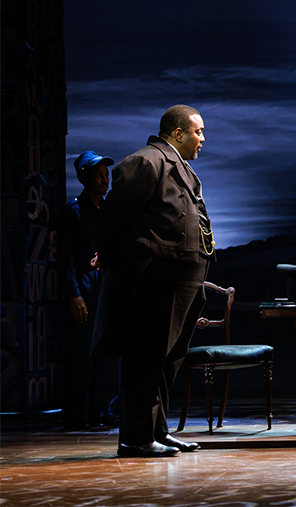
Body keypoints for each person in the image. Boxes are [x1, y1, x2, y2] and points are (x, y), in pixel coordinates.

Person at [92, 105, 215, 458]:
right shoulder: (147, 161)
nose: (202, 139)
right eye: (198, 132)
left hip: (183, 278)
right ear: (177, 132)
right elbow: (113, 216)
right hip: (157, 278)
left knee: (167, 358)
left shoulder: (181, 167)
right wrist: (107, 255)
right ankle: (134, 437)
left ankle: (156, 431)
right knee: (145, 356)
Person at [59, 151, 120, 430]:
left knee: (108, 351)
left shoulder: (109, 211)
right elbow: (65, 258)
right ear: (84, 178)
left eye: (106, 175)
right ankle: (78, 416)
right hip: (84, 284)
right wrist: (74, 294)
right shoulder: (73, 211)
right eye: (98, 175)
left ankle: (103, 412)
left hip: (106, 283)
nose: (105, 180)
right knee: (82, 353)